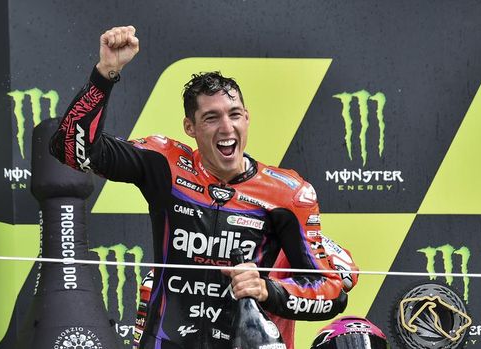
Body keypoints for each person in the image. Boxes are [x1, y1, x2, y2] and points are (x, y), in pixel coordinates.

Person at [50, 25, 357, 349]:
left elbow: (331, 290)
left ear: (247, 119)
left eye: (234, 114)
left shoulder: (287, 193)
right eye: (212, 118)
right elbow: (71, 149)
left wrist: (269, 290)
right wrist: (105, 73)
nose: (227, 127)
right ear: (190, 127)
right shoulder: (164, 164)